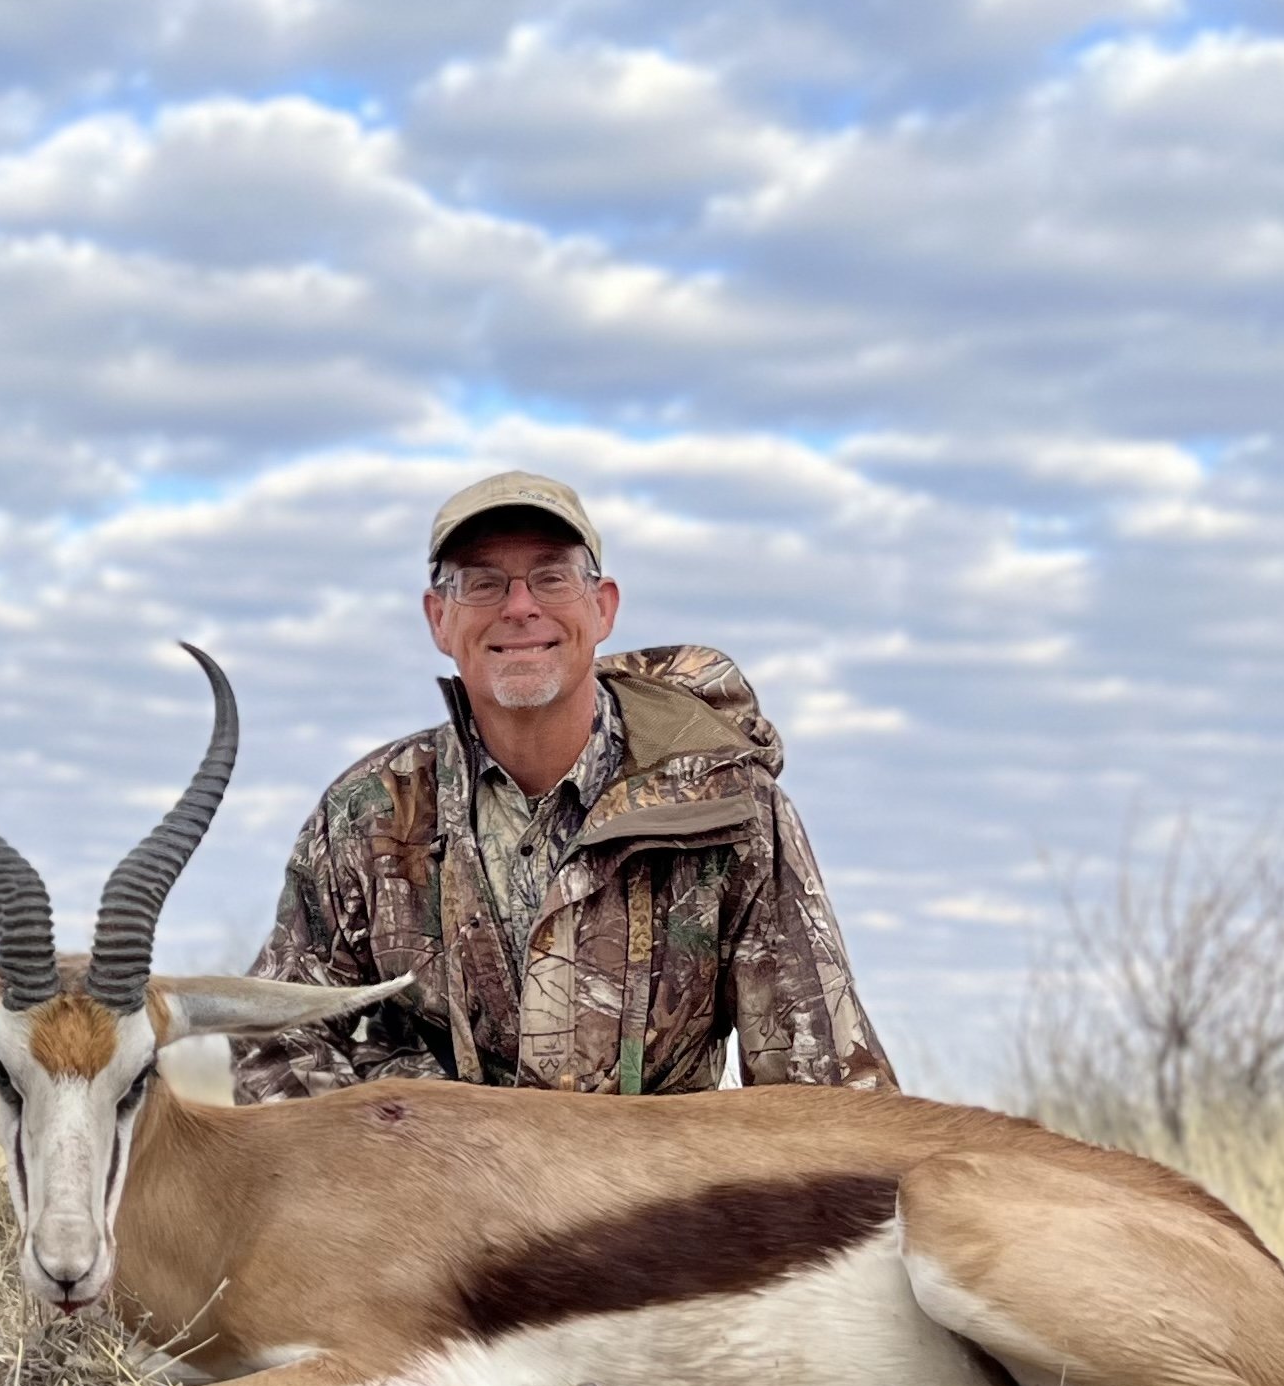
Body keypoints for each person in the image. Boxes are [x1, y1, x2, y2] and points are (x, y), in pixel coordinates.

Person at [230, 470, 894, 1103]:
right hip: (432, 1204)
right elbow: (271, 1040)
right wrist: (402, 1159)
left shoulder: (728, 804)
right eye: (483, 583)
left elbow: (826, 1087)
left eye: (551, 577)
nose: (521, 607)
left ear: (602, 609)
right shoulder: (367, 816)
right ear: (439, 620)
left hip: (649, 1206)